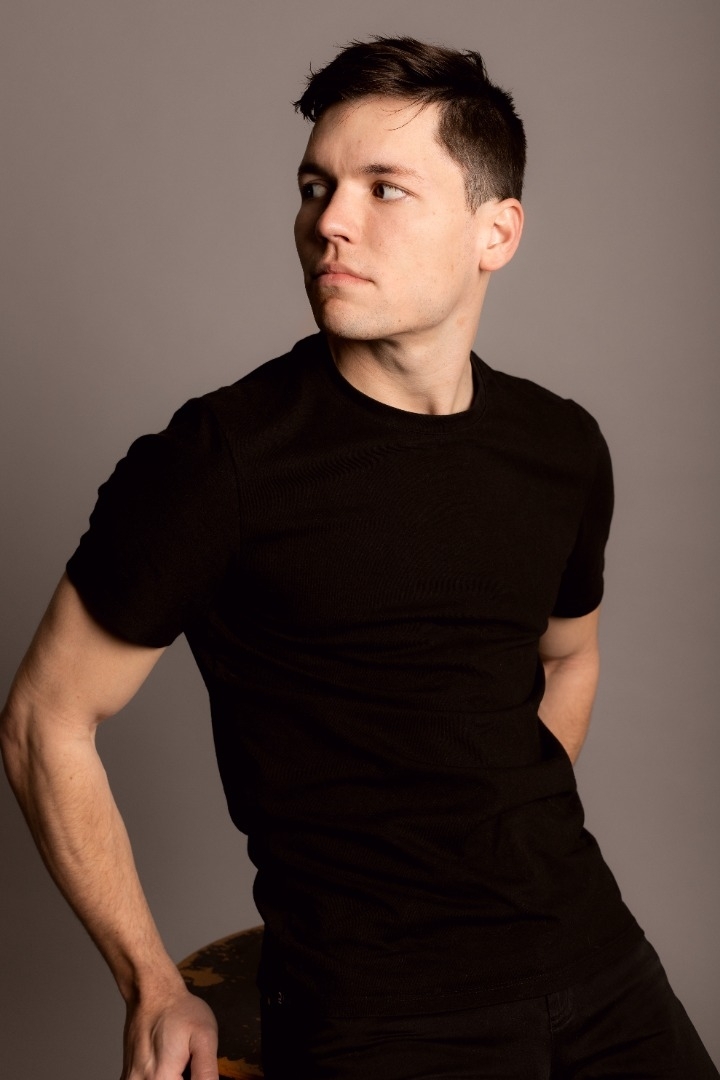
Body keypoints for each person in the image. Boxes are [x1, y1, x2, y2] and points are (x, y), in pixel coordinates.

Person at [1, 35, 717, 1080]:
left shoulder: (561, 446)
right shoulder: (219, 461)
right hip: (380, 1011)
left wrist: (485, 828)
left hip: (597, 958)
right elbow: (43, 721)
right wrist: (150, 982)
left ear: (496, 231)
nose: (328, 221)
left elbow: (570, 655)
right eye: (316, 186)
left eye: (384, 188)